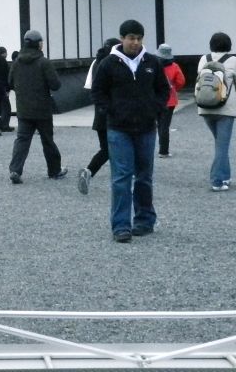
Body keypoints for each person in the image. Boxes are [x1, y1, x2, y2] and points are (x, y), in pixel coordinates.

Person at [90, 20, 169, 242]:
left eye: (139, 38)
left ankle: (144, 219)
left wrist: (155, 109)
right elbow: (97, 91)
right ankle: (121, 225)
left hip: (145, 128)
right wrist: (109, 110)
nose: (135, 42)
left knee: (144, 176)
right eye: (131, 38)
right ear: (122, 38)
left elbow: (163, 89)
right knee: (121, 177)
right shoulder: (108, 64)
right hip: (118, 128)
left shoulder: (151, 62)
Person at [7, 30, 68, 183]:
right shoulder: (44, 62)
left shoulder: (17, 62)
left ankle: (15, 170)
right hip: (42, 109)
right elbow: (55, 85)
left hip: (23, 108)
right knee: (47, 140)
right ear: (38, 43)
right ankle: (54, 170)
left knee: (22, 140)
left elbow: (10, 82)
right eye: (41, 41)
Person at [195, 33, 236, 190]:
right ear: (229, 45)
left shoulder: (203, 59)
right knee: (222, 146)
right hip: (225, 108)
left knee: (220, 144)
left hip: (205, 107)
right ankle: (217, 180)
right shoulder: (232, 60)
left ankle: (225, 176)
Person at [77, 38, 120, 195]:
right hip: (114, 113)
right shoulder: (113, 63)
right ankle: (90, 170)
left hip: (100, 114)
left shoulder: (96, 62)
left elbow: (90, 87)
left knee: (107, 148)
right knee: (118, 146)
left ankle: (90, 171)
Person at [155, 43, 186, 159]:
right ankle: (163, 151)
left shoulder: (154, 64)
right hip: (170, 100)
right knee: (165, 125)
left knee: (157, 124)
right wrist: (174, 88)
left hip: (155, 99)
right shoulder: (174, 66)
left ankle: (157, 147)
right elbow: (181, 81)